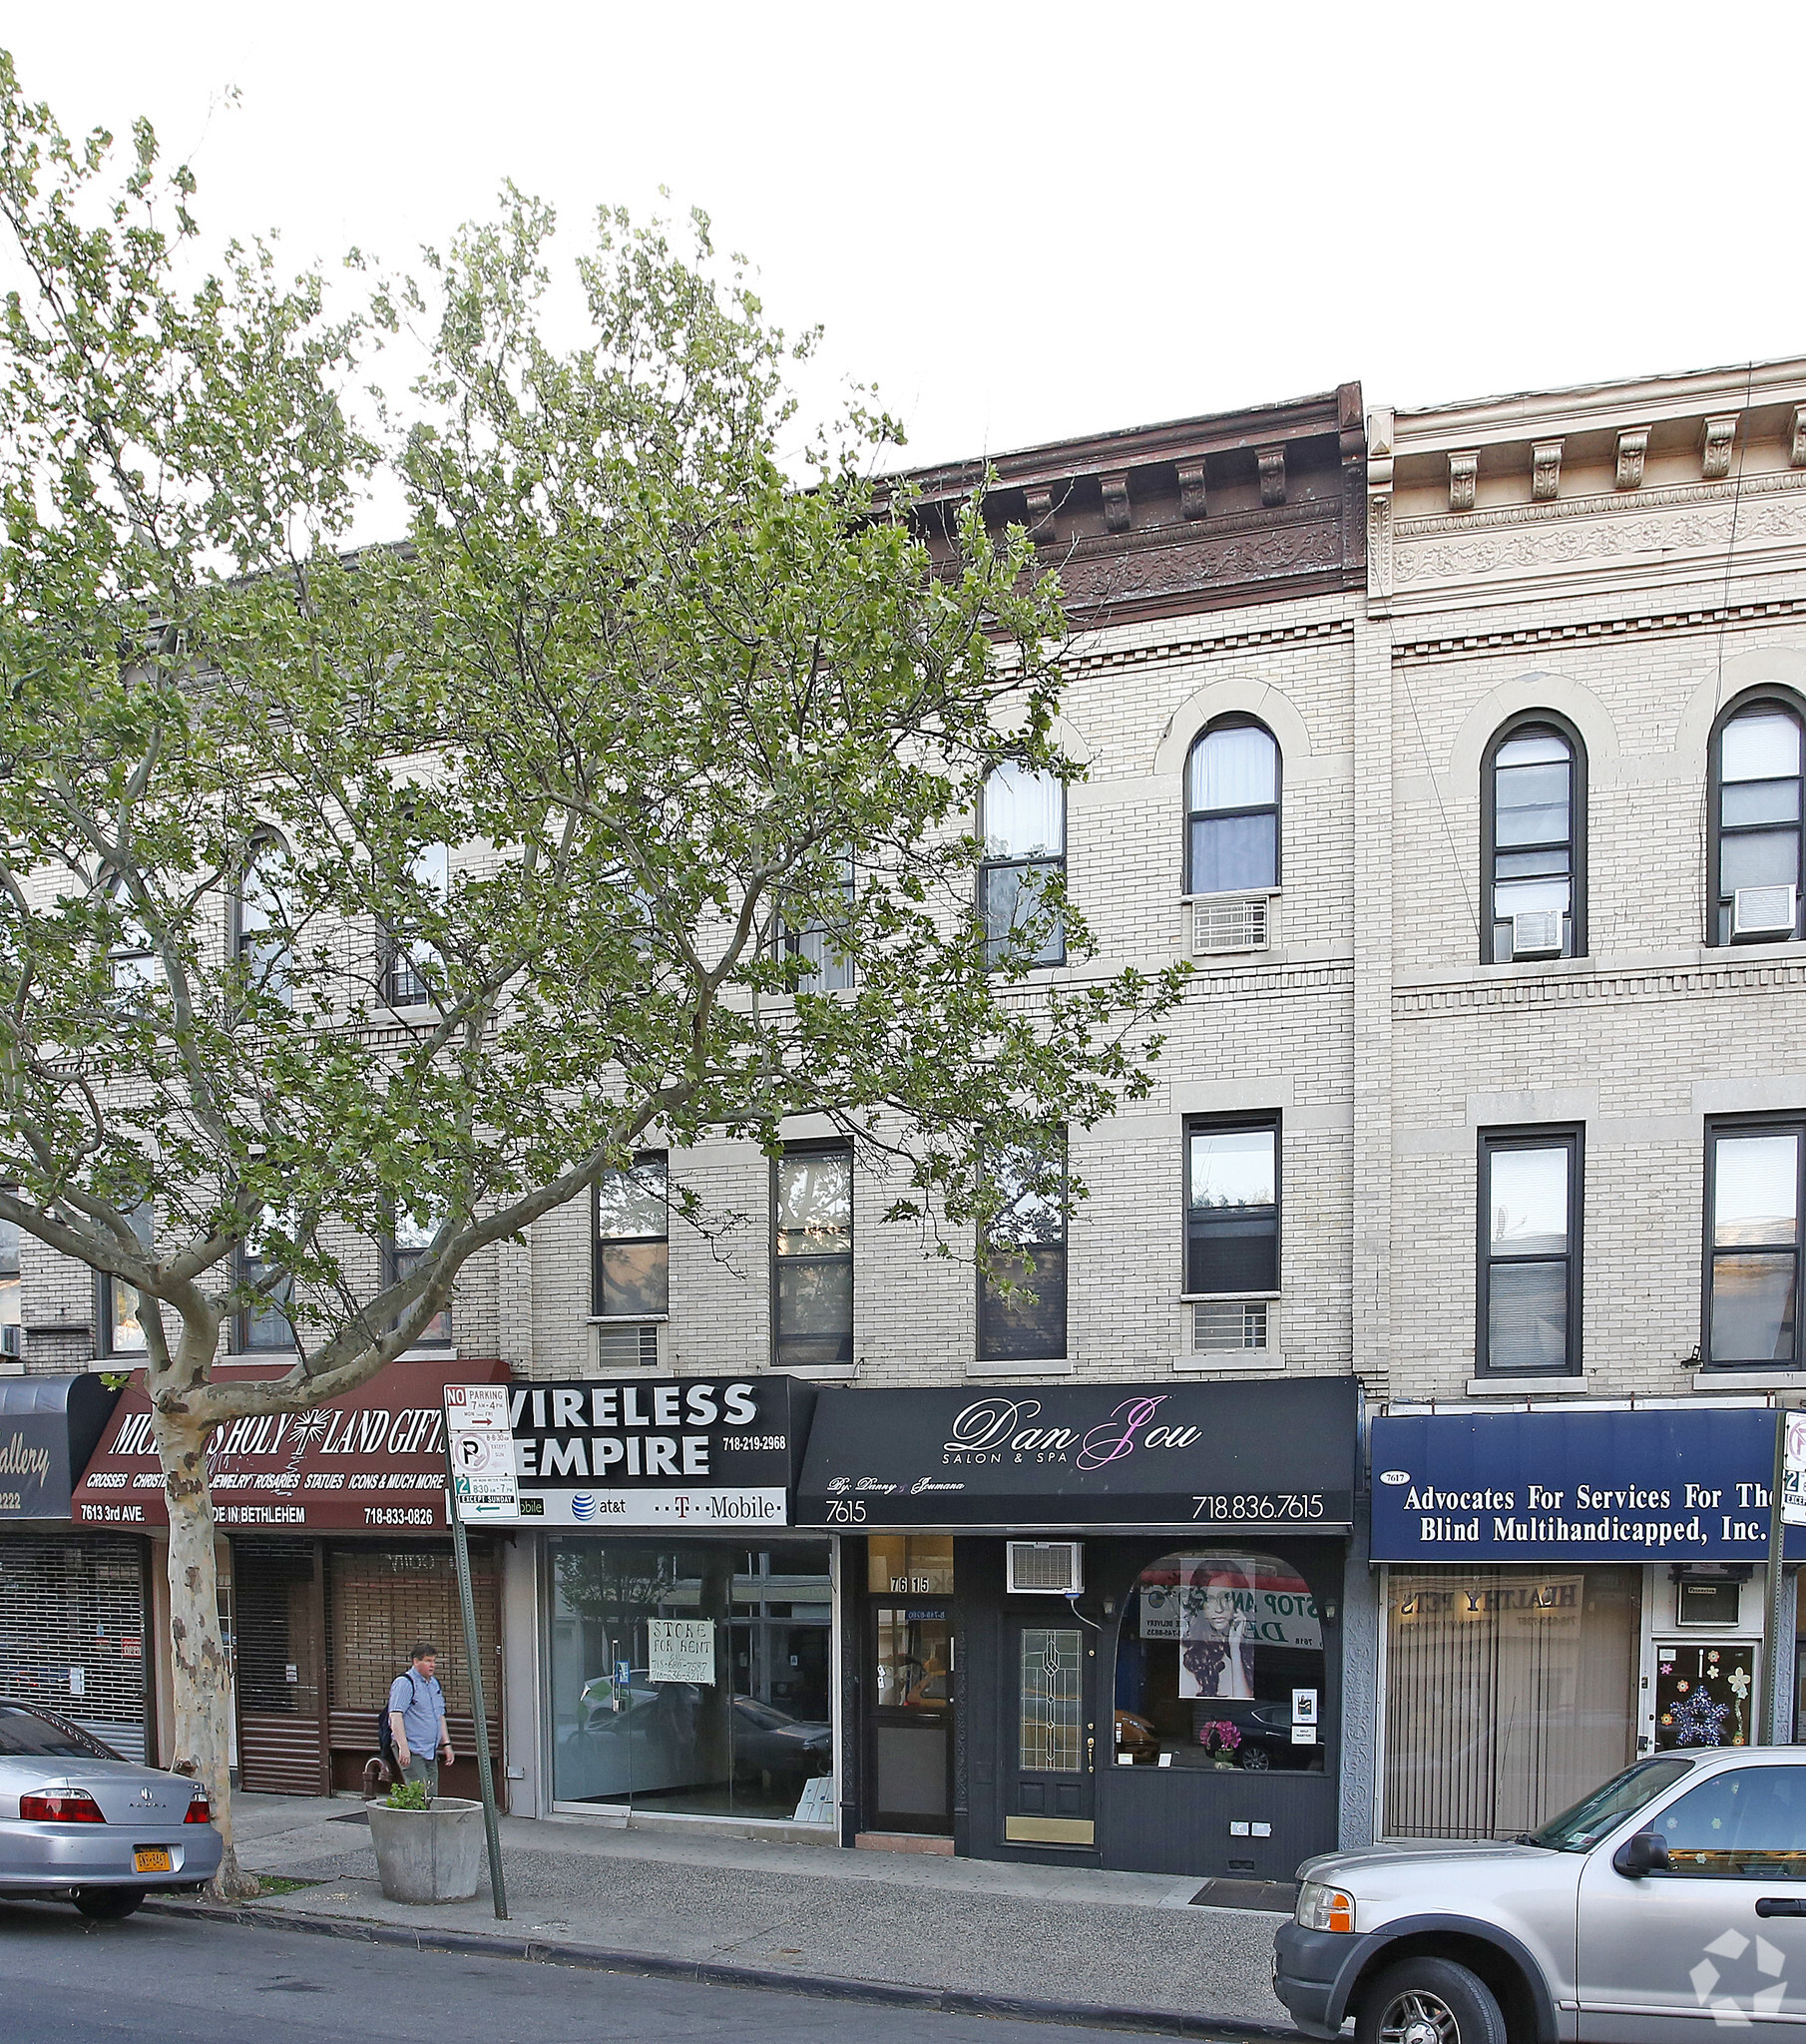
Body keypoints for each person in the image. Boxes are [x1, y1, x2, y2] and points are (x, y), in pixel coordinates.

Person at [388, 1641, 453, 1796]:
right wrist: (403, 1747)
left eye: (434, 1661)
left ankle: (428, 1820)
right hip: (412, 1748)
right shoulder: (405, 1683)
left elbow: (439, 1716)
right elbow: (395, 1716)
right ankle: (415, 1820)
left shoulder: (433, 1684)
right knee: (420, 1794)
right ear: (416, 1661)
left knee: (432, 1794)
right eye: (428, 1661)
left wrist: (447, 1744)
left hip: (430, 1749)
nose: (432, 1665)